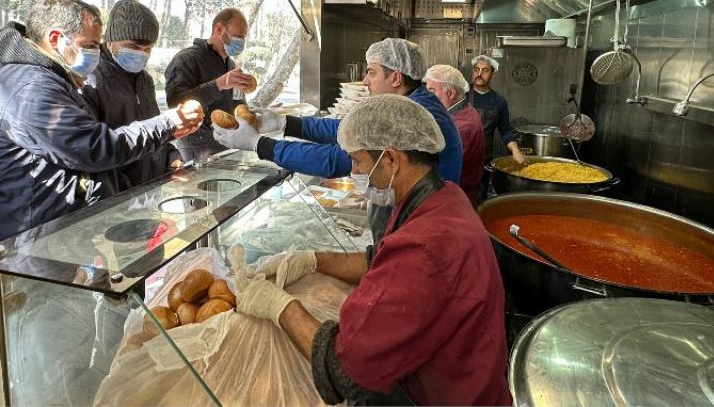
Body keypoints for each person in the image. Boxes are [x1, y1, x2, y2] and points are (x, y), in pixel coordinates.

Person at [234, 94, 512, 406]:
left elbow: (346, 373)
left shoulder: (427, 246)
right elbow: (380, 258)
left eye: (356, 161)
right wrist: (312, 260)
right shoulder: (441, 197)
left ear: (391, 159)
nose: (354, 171)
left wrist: (280, 307)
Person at [0, 0, 203, 253]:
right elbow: (91, 148)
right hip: (21, 241)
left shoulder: (51, 79)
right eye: (89, 44)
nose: (94, 53)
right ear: (55, 39)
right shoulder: (29, 87)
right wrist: (168, 124)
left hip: (46, 233)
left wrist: (168, 154)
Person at [213, 37, 462, 242]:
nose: (365, 81)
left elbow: (336, 160)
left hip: (424, 221)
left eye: (371, 72)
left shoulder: (409, 115)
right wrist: (287, 123)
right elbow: (350, 129)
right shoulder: (411, 103)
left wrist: (260, 145)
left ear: (395, 78)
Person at [81, 0, 183, 190]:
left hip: (149, 188)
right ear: (110, 40)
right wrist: (124, 189)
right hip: (115, 196)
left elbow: (153, 128)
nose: (141, 54)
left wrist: (170, 154)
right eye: (133, 47)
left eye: (147, 49)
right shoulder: (91, 80)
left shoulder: (145, 80)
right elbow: (92, 150)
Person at [164, 7, 253, 162]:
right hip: (198, 151)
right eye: (237, 36)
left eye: (243, 37)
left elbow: (236, 104)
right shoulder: (187, 59)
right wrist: (218, 84)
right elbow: (175, 104)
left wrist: (250, 113)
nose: (241, 42)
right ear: (219, 29)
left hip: (229, 147)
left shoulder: (230, 64)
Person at [424, 64, 485, 206]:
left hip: (457, 200)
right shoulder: (461, 110)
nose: (426, 97)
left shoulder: (462, 127)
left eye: (431, 91)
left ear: (450, 93)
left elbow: (437, 174)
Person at [469, 55, 525, 198]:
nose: (479, 74)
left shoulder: (499, 101)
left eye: (485, 70)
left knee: (480, 198)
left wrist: (515, 150)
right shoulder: (462, 95)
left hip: (484, 159)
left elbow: (505, 130)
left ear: (492, 75)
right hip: (462, 156)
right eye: (476, 70)